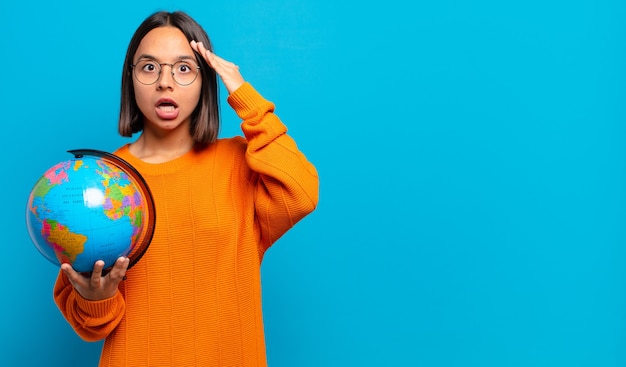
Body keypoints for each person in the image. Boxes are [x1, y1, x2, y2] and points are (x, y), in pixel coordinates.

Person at [53, 10, 319, 367]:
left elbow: (301, 193)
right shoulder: (102, 181)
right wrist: (97, 297)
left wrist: (245, 95)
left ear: (204, 80)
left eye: (183, 68)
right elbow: (92, 325)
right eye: (149, 67)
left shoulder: (240, 164)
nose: (165, 82)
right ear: (130, 79)